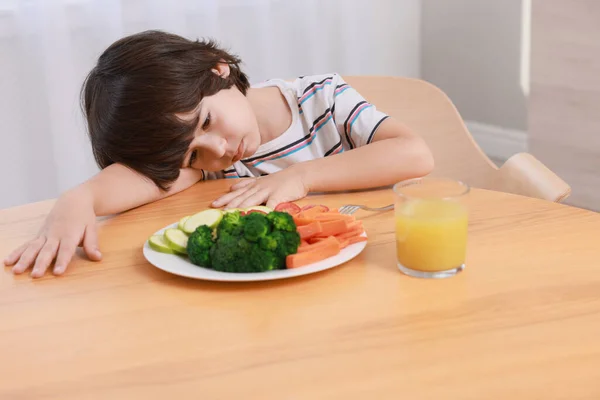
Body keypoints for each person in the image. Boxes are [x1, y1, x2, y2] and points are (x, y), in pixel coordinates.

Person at [3, 30, 434, 278]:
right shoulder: (208, 164)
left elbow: (414, 154)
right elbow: (143, 178)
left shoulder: (321, 98)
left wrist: (300, 177)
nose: (219, 152)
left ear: (217, 68)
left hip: (381, 265)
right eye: (192, 156)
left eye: (206, 123)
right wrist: (79, 199)